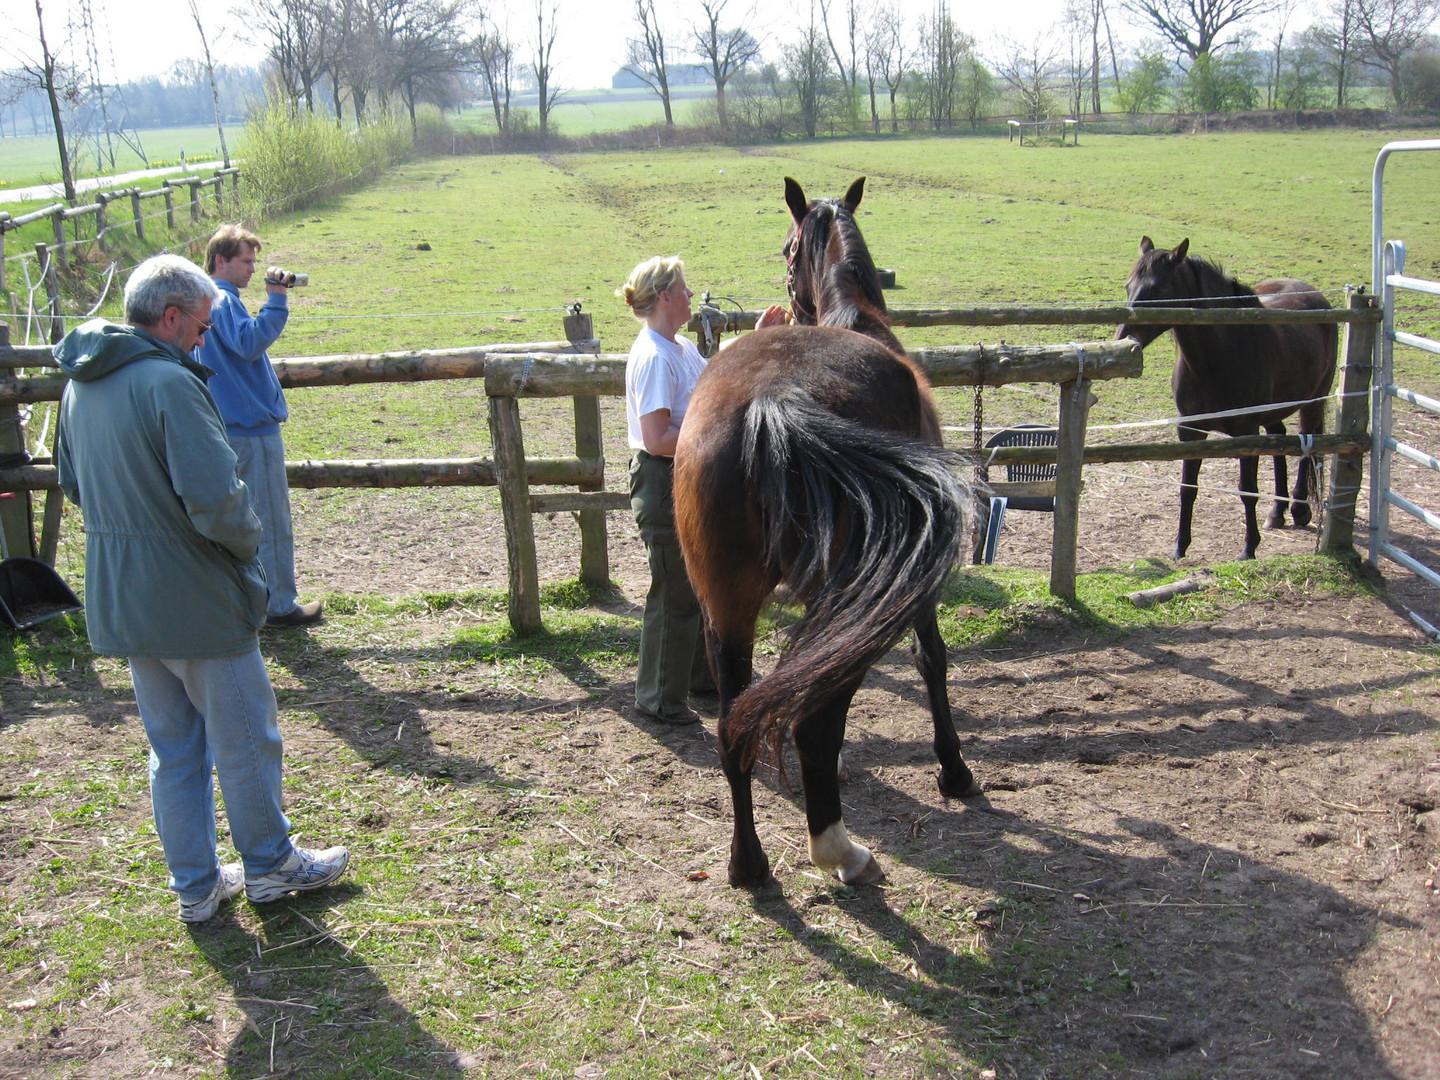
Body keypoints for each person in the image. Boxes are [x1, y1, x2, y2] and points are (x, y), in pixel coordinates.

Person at [54, 254, 349, 924]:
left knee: (173, 749)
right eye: (200, 325)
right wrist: (248, 551)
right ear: (170, 316)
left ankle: (195, 885)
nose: (202, 337)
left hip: (123, 599)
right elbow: (218, 502)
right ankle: (271, 865)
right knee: (245, 736)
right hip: (195, 596)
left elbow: (74, 485)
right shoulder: (170, 384)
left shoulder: (81, 385)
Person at [618, 257, 790, 726]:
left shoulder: (676, 349)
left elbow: (712, 381)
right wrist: (715, 439)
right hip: (662, 476)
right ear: (666, 297)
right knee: (674, 591)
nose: (692, 295)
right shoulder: (654, 357)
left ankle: (702, 681)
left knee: (696, 586)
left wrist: (754, 338)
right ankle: (656, 698)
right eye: (684, 288)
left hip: (684, 477)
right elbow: (655, 439)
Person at [197, 223, 321, 629]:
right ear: (221, 260)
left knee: (235, 518)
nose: (252, 269)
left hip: (225, 425)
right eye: (245, 261)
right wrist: (277, 300)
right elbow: (250, 343)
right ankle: (278, 605)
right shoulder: (223, 301)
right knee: (269, 518)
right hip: (250, 427)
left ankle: (238, 600)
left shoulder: (202, 303)